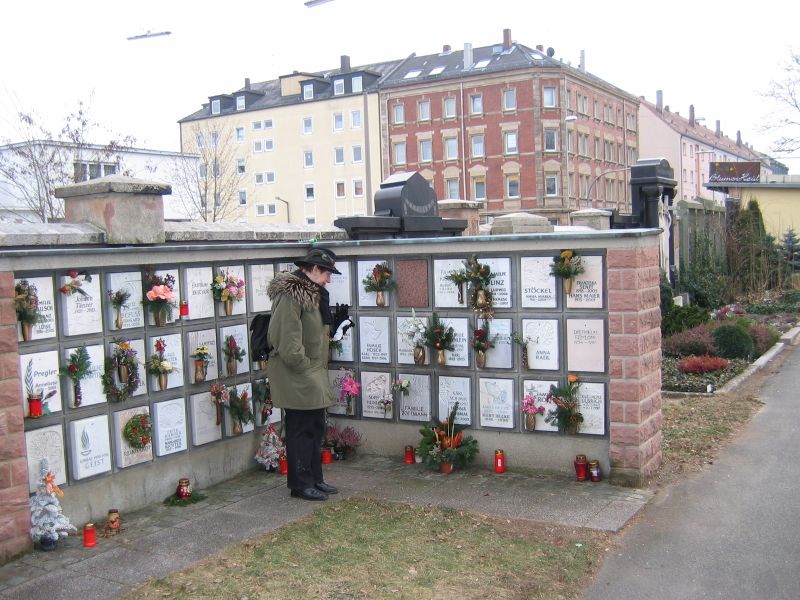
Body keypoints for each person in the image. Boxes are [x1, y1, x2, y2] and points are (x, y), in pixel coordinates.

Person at [266, 248, 341, 501]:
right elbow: (287, 340)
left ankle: (315, 479)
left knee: (315, 426)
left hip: (311, 371)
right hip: (297, 373)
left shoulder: (313, 294)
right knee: (300, 429)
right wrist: (305, 365)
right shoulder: (291, 295)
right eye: (327, 273)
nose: (329, 279)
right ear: (313, 269)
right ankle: (300, 484)